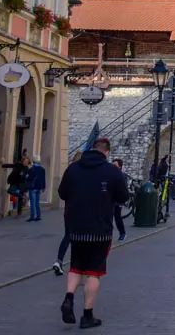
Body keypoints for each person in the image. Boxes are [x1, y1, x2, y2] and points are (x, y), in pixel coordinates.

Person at [57, 137, 129, 328]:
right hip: (100, 230)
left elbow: (62, 193)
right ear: (106, 152)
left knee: (75, 267)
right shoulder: (112, 171)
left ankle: (69, 297)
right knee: (93, 272)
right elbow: (123, 196)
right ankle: (87, 315)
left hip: (76, 228)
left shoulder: (73, 169)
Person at [53, 151, 82, 275]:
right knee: (81, 237)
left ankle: (59, 260)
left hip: (69, 209)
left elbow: (61, 192)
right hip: (82, 209)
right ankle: (78, 266)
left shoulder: (69, 171)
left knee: (68, 236)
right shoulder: (84, 172)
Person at [25, 157, 47, 222]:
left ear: (33, 161)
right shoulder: (42, 169)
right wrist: (43, 187)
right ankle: (38, 216)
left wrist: (26, 177)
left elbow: (29, 178)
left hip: (33, 187)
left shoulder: (32, 169)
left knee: (32, 203)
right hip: (39, 187)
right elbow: (43, 179)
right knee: (37, 202)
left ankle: (32, 217)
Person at [111, 158, 127, 241]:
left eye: (115, 165)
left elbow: (123, 189)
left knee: (117, 217)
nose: (113, 166)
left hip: (118, 200)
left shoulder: (122, 176)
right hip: (110, 199)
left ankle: (122, 233)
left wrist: (121, 200)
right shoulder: (109, 175)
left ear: (120, 167)